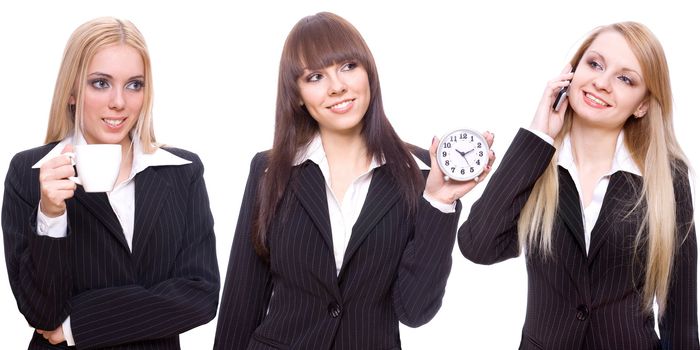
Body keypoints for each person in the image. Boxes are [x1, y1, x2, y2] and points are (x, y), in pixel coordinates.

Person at [213, 12, 494, 349]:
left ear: (368, 73)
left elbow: (415, 311)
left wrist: (439, 202)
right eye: (315, 76)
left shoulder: (419, 173)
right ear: (298, 94)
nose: (337, 87)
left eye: (348, 66)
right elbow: (242, 301)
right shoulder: (269, 170)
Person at [459, 21, 698, 349]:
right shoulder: (537, 162)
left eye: (625, 78)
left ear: (642, 104)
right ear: (571, 72)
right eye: (595, 64)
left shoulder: (667, 176)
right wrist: (537, 135)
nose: (601, 82)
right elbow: (479, 246)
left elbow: (681, 319)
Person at [1, 17, 219, 349]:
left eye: (134, 84)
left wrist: (79, 323)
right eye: (101, 83)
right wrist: (52, 215)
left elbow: (201, 296)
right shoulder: (30, 172)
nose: (119, 101)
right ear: (72, 92)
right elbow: (42, 314)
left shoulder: (181, 171)